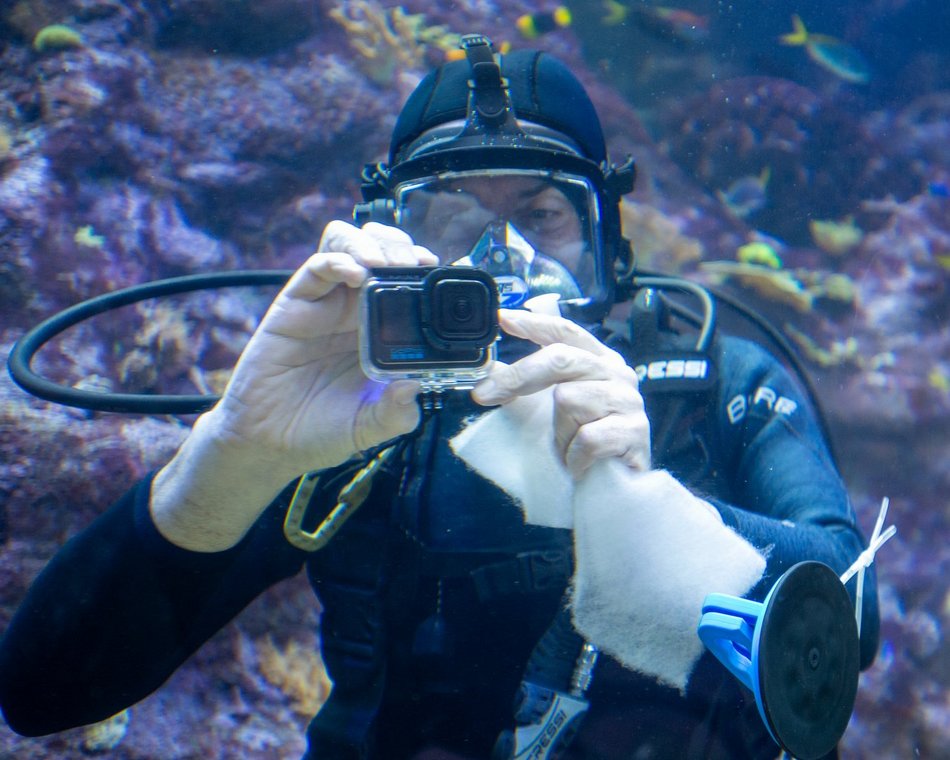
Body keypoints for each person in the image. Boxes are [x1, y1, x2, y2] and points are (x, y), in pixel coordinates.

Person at [0, 36, 878, 759]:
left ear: (608, 247)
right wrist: (235, 454)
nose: (501, 265)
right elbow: (43, 691)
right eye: (451, 219)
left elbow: (856, 618)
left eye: (542, 218)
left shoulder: (710, 385)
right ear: (387, 236)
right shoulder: (358, 415)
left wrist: (655, 510)